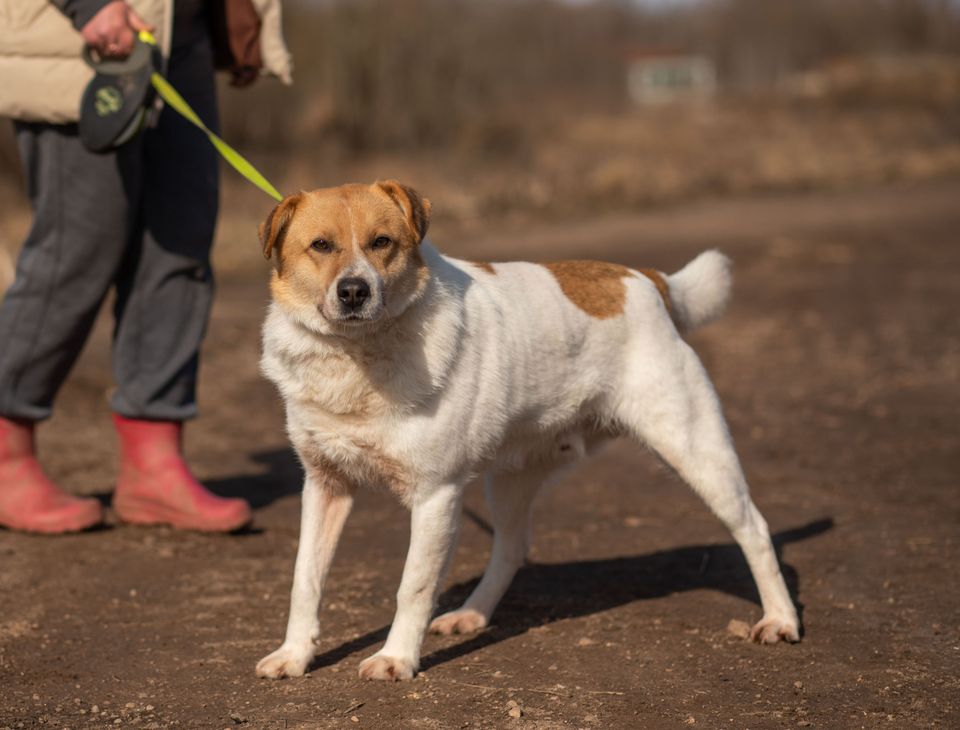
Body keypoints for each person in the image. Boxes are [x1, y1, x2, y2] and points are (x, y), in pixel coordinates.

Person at [0, 0, 291, 533]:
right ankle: (5, 457)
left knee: (179, 244)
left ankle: (153, 467)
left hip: (181, 33)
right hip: (76, 37)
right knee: (77, 249)